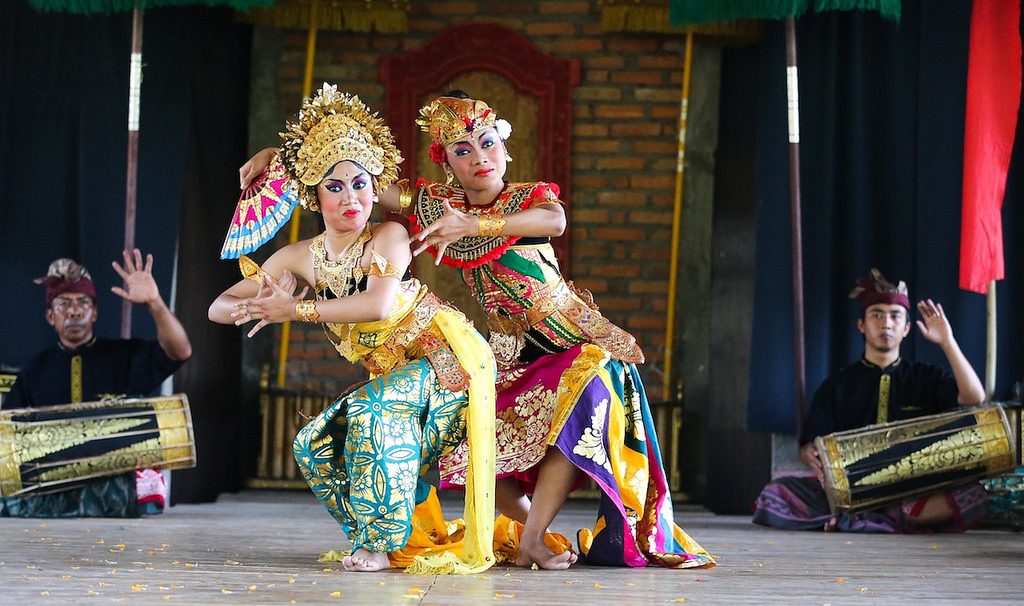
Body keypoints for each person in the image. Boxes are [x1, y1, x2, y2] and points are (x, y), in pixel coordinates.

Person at [241, 91, 714, 570]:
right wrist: (280, 159)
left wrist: (475, 224)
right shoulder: (437, 205)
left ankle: (532, 540)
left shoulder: (527, 200)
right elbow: (356, 174)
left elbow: (555, 220)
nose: (479, 158)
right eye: (462, 151)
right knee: (476, 444)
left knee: (582, 403)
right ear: (447, 164)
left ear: (505, 148)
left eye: (487, 143)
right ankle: (533, 532)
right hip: (509, 351)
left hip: (571, 338)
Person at [211, 84, 498, 574]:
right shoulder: (298, 257)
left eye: (362, 184)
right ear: (313, 195)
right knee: (313, 445)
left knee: (369, 413)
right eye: (335, 187)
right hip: (395, 378)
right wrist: (262, 302)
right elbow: (219, 308)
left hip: (445, 364)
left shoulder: (389, 235)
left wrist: (295, 311)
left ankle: (379, 544)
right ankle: (386, 536)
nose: (352, 198)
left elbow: (377, 305)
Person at [752, 268, 991, 533]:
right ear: (861, 325)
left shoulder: (926, 377)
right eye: (877, 315)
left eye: (895, 316)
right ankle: (875, 519)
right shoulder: (838, 384)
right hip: (849, 489)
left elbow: (974, 396)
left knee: (974, 495)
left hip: (910, 488)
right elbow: (812, 443)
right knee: (775, 493)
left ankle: (866, 520)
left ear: (906, 328)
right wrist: (809, 452)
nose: (886, 323)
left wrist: (947, 342)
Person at [2, 250, 192, 517]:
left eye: (83, 302)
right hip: (49, 494)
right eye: (63, 304)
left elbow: (180, 351)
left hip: (116, 491)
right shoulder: (35, 369)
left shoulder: (122, 356)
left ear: (94, 313)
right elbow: (7, 437)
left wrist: (154, 302)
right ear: (50, 316)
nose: (74, 311)